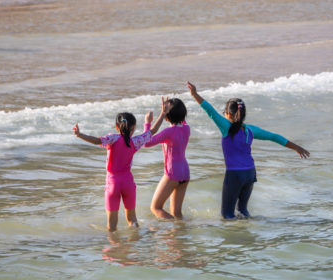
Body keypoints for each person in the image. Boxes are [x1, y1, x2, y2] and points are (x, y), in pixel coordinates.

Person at [187, 82, 310, 219]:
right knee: (242, 210)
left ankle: (237, 238)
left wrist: (195, 95)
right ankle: (248, 236)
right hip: (250, 173)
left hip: (235, 174)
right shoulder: (250, 130)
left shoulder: (226, 126)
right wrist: (296, 147)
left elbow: (210, 111)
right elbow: (273, 137)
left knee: (227, 214)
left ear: (228, 114)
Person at [73, 97, 171, 231]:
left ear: (116, 127)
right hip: (128, 183)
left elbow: (96, 141)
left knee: (112, 226)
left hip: (112, 183)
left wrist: (79, 134)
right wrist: (163, 113)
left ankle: (114, 249)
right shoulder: (136, 141)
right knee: (133, 220)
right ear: (133, 128)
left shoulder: (112, 139)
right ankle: (134, 245)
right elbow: (153, 131)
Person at [143, 98, 190, 220]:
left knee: (156, 208)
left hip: (172, 173)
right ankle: (180, 235)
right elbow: (180, 117)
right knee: (176, 213)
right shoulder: (186, 128)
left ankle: (175, 228)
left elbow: (146, 143)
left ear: (167, 116)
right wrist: (167, 111)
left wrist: (148, 122)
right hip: (185, 172)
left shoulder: (168, 132)